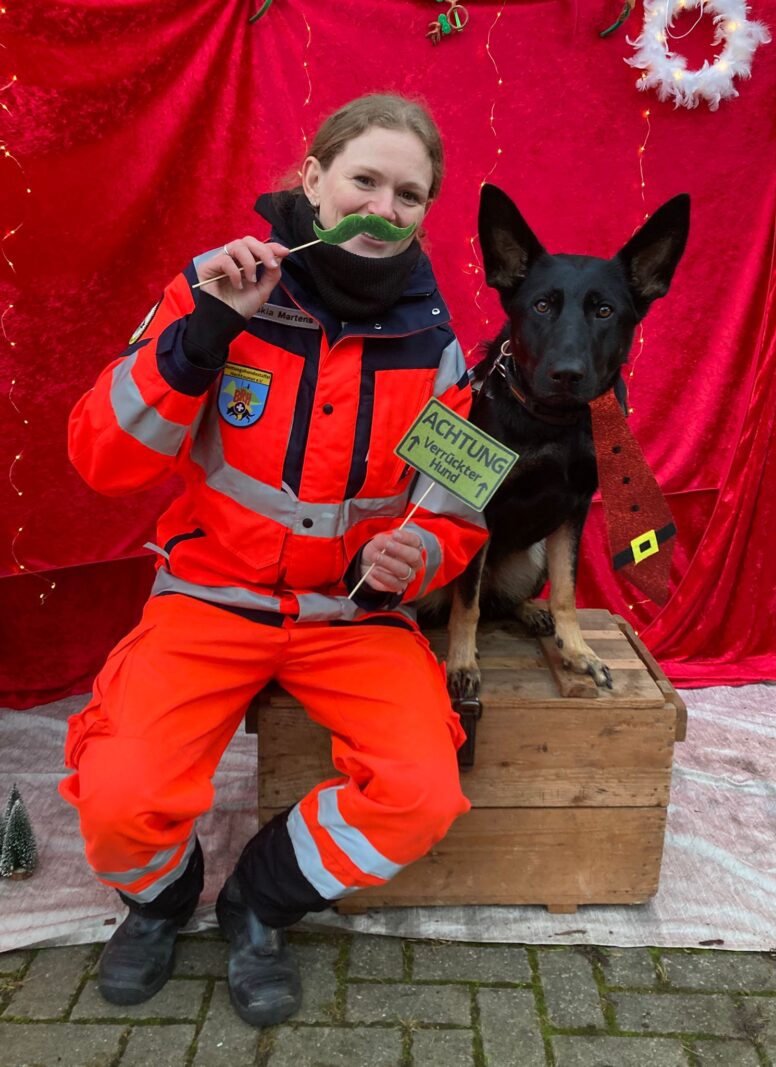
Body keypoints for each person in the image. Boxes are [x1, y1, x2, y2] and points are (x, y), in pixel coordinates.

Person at [60, 93, 487, 1028]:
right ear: (314, 180)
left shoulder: (441, 345)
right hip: (210, 595)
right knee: (121, 797)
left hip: (349, 619)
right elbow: (100, 455)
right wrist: (206, 333)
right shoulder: (216, 288)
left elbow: (455, 514)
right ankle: (162, 900)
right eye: (364, 180)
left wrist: (414, 560)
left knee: (421, 793)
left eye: (409, 195)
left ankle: (258, 901)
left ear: (426, 210)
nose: (385, 206)